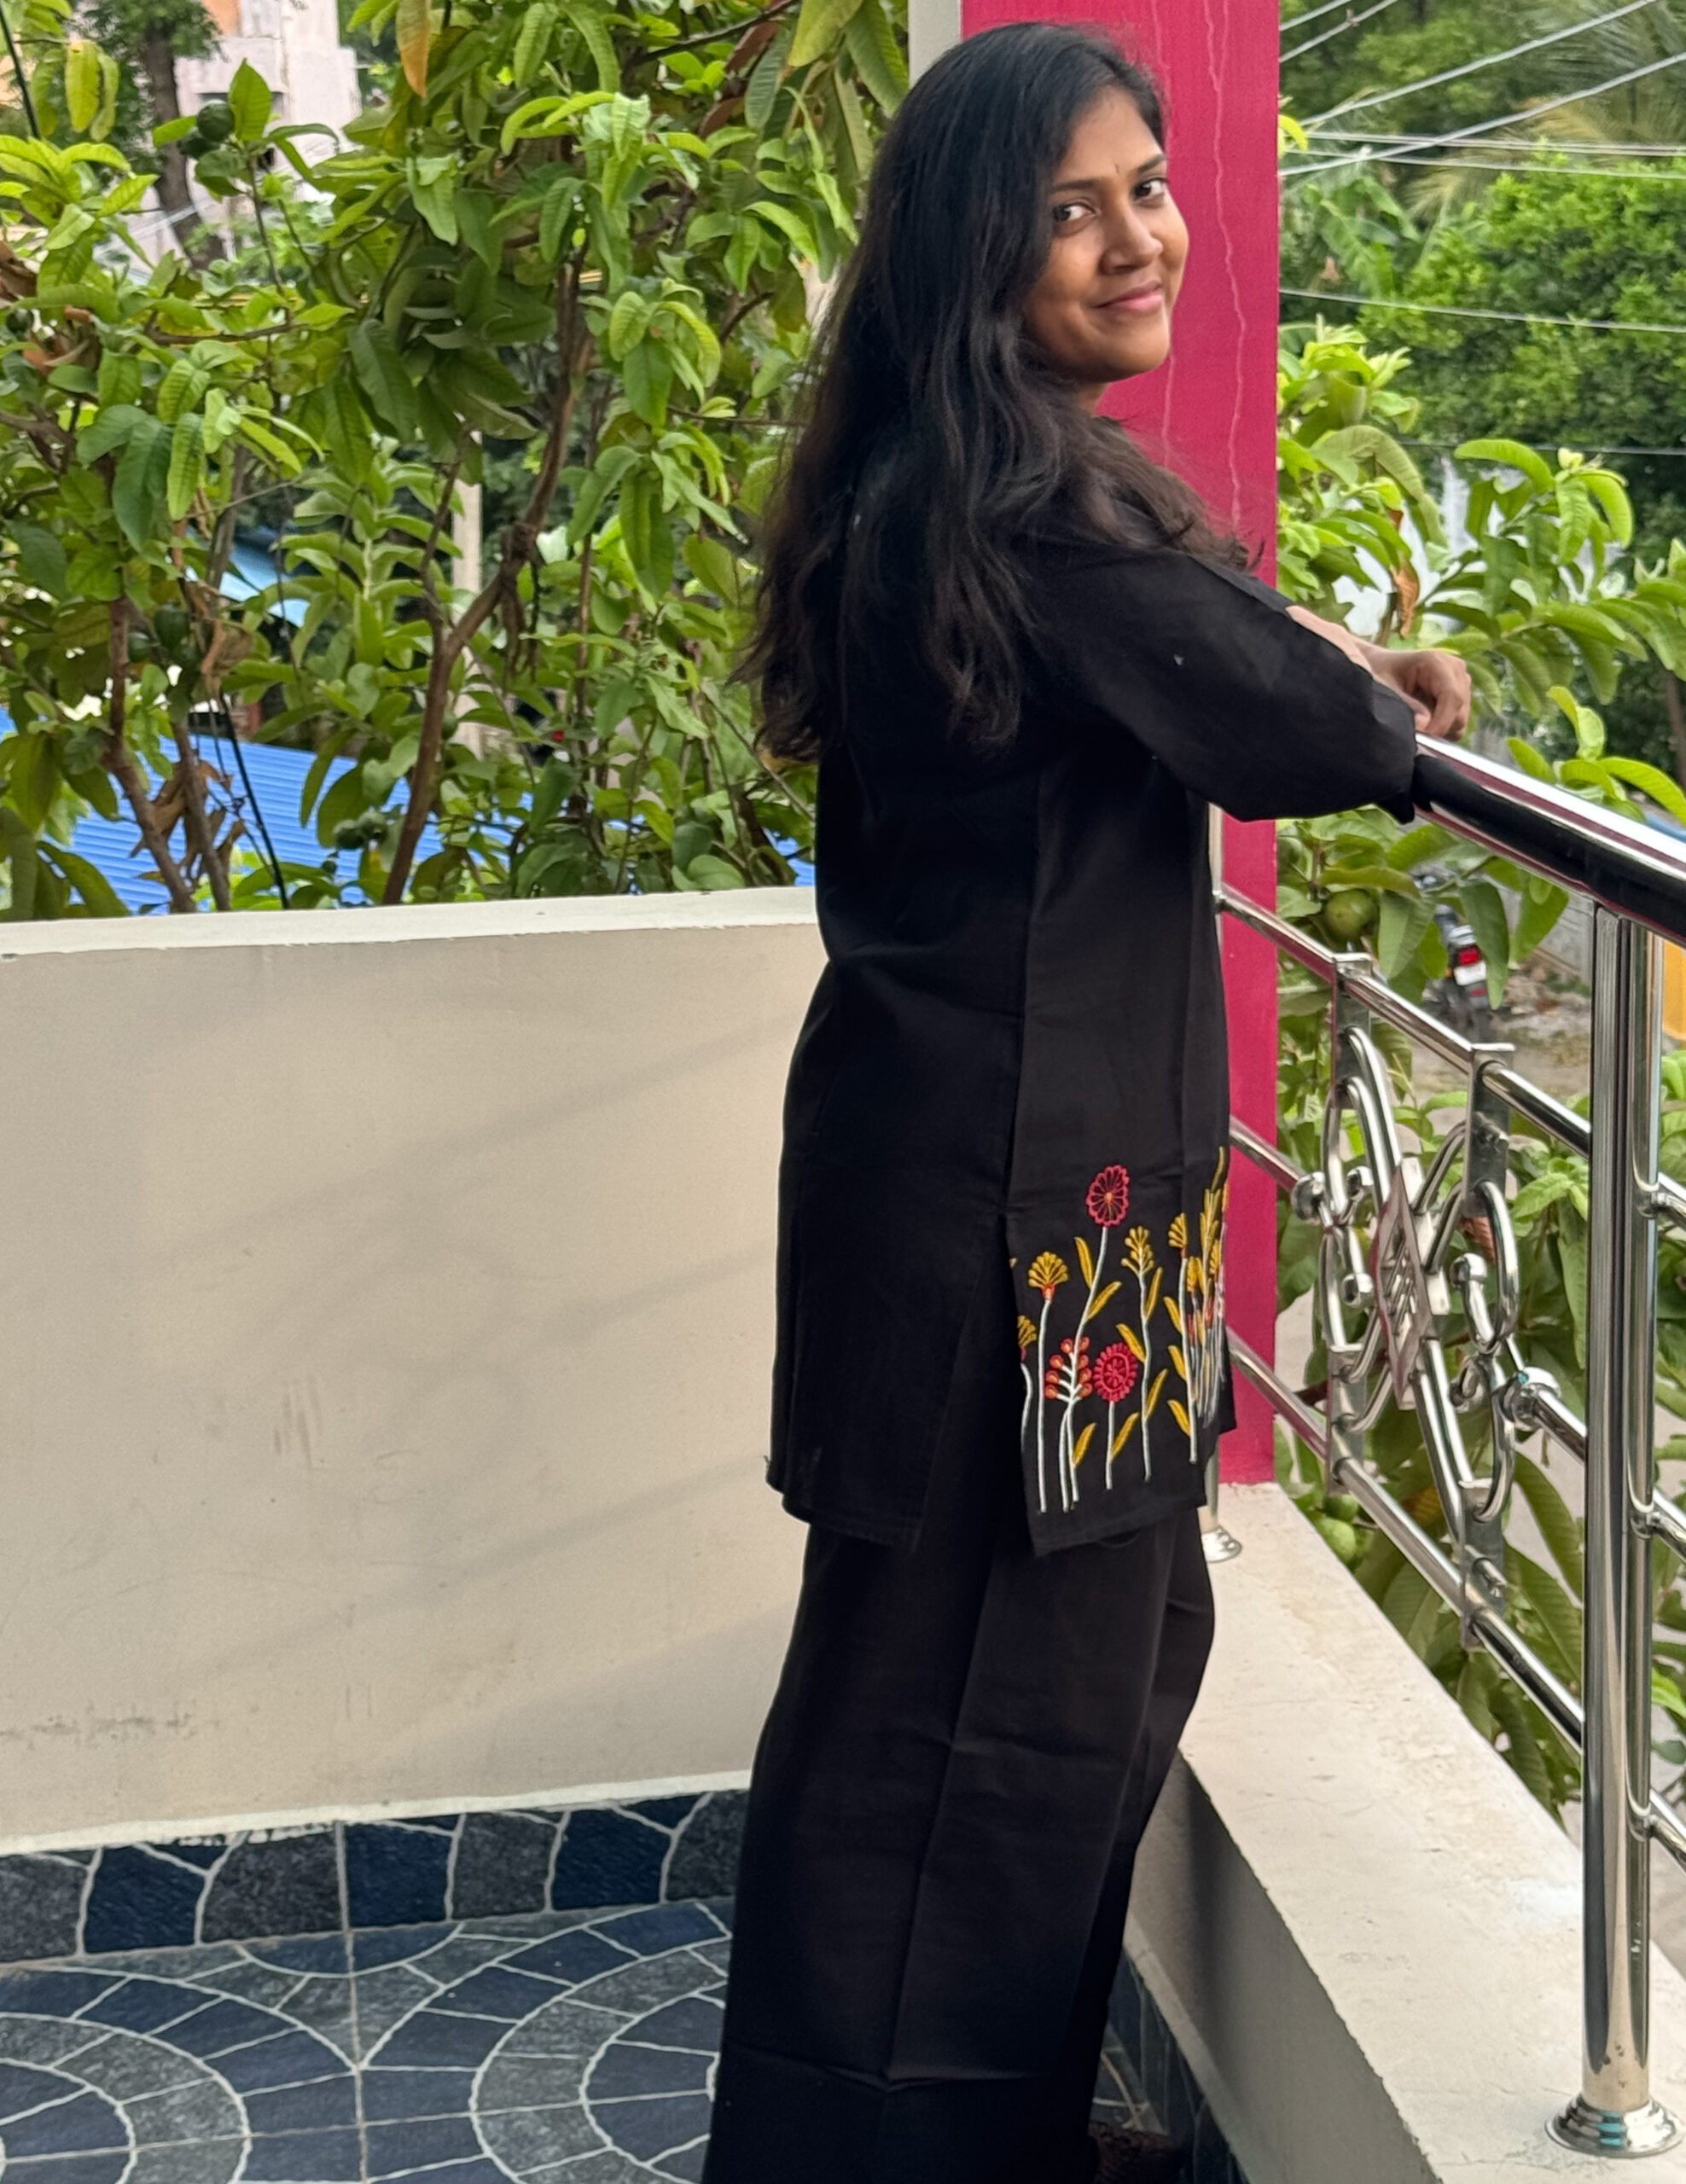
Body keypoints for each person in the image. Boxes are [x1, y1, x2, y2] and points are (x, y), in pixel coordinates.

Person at [702, 21, 1471, 2184]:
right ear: (978, 249)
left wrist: (1316, 660)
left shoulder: (944, 475)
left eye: (1145, 185)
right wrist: (1369, 679)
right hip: (1012, 1223)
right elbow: (1307, 730)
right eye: (1071, 208)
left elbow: (1212, 670)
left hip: (1019, 1191)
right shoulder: (1030, 503)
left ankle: (981, 2141)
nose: (1137, 237)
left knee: (1034, 1701)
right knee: (965, 1729)